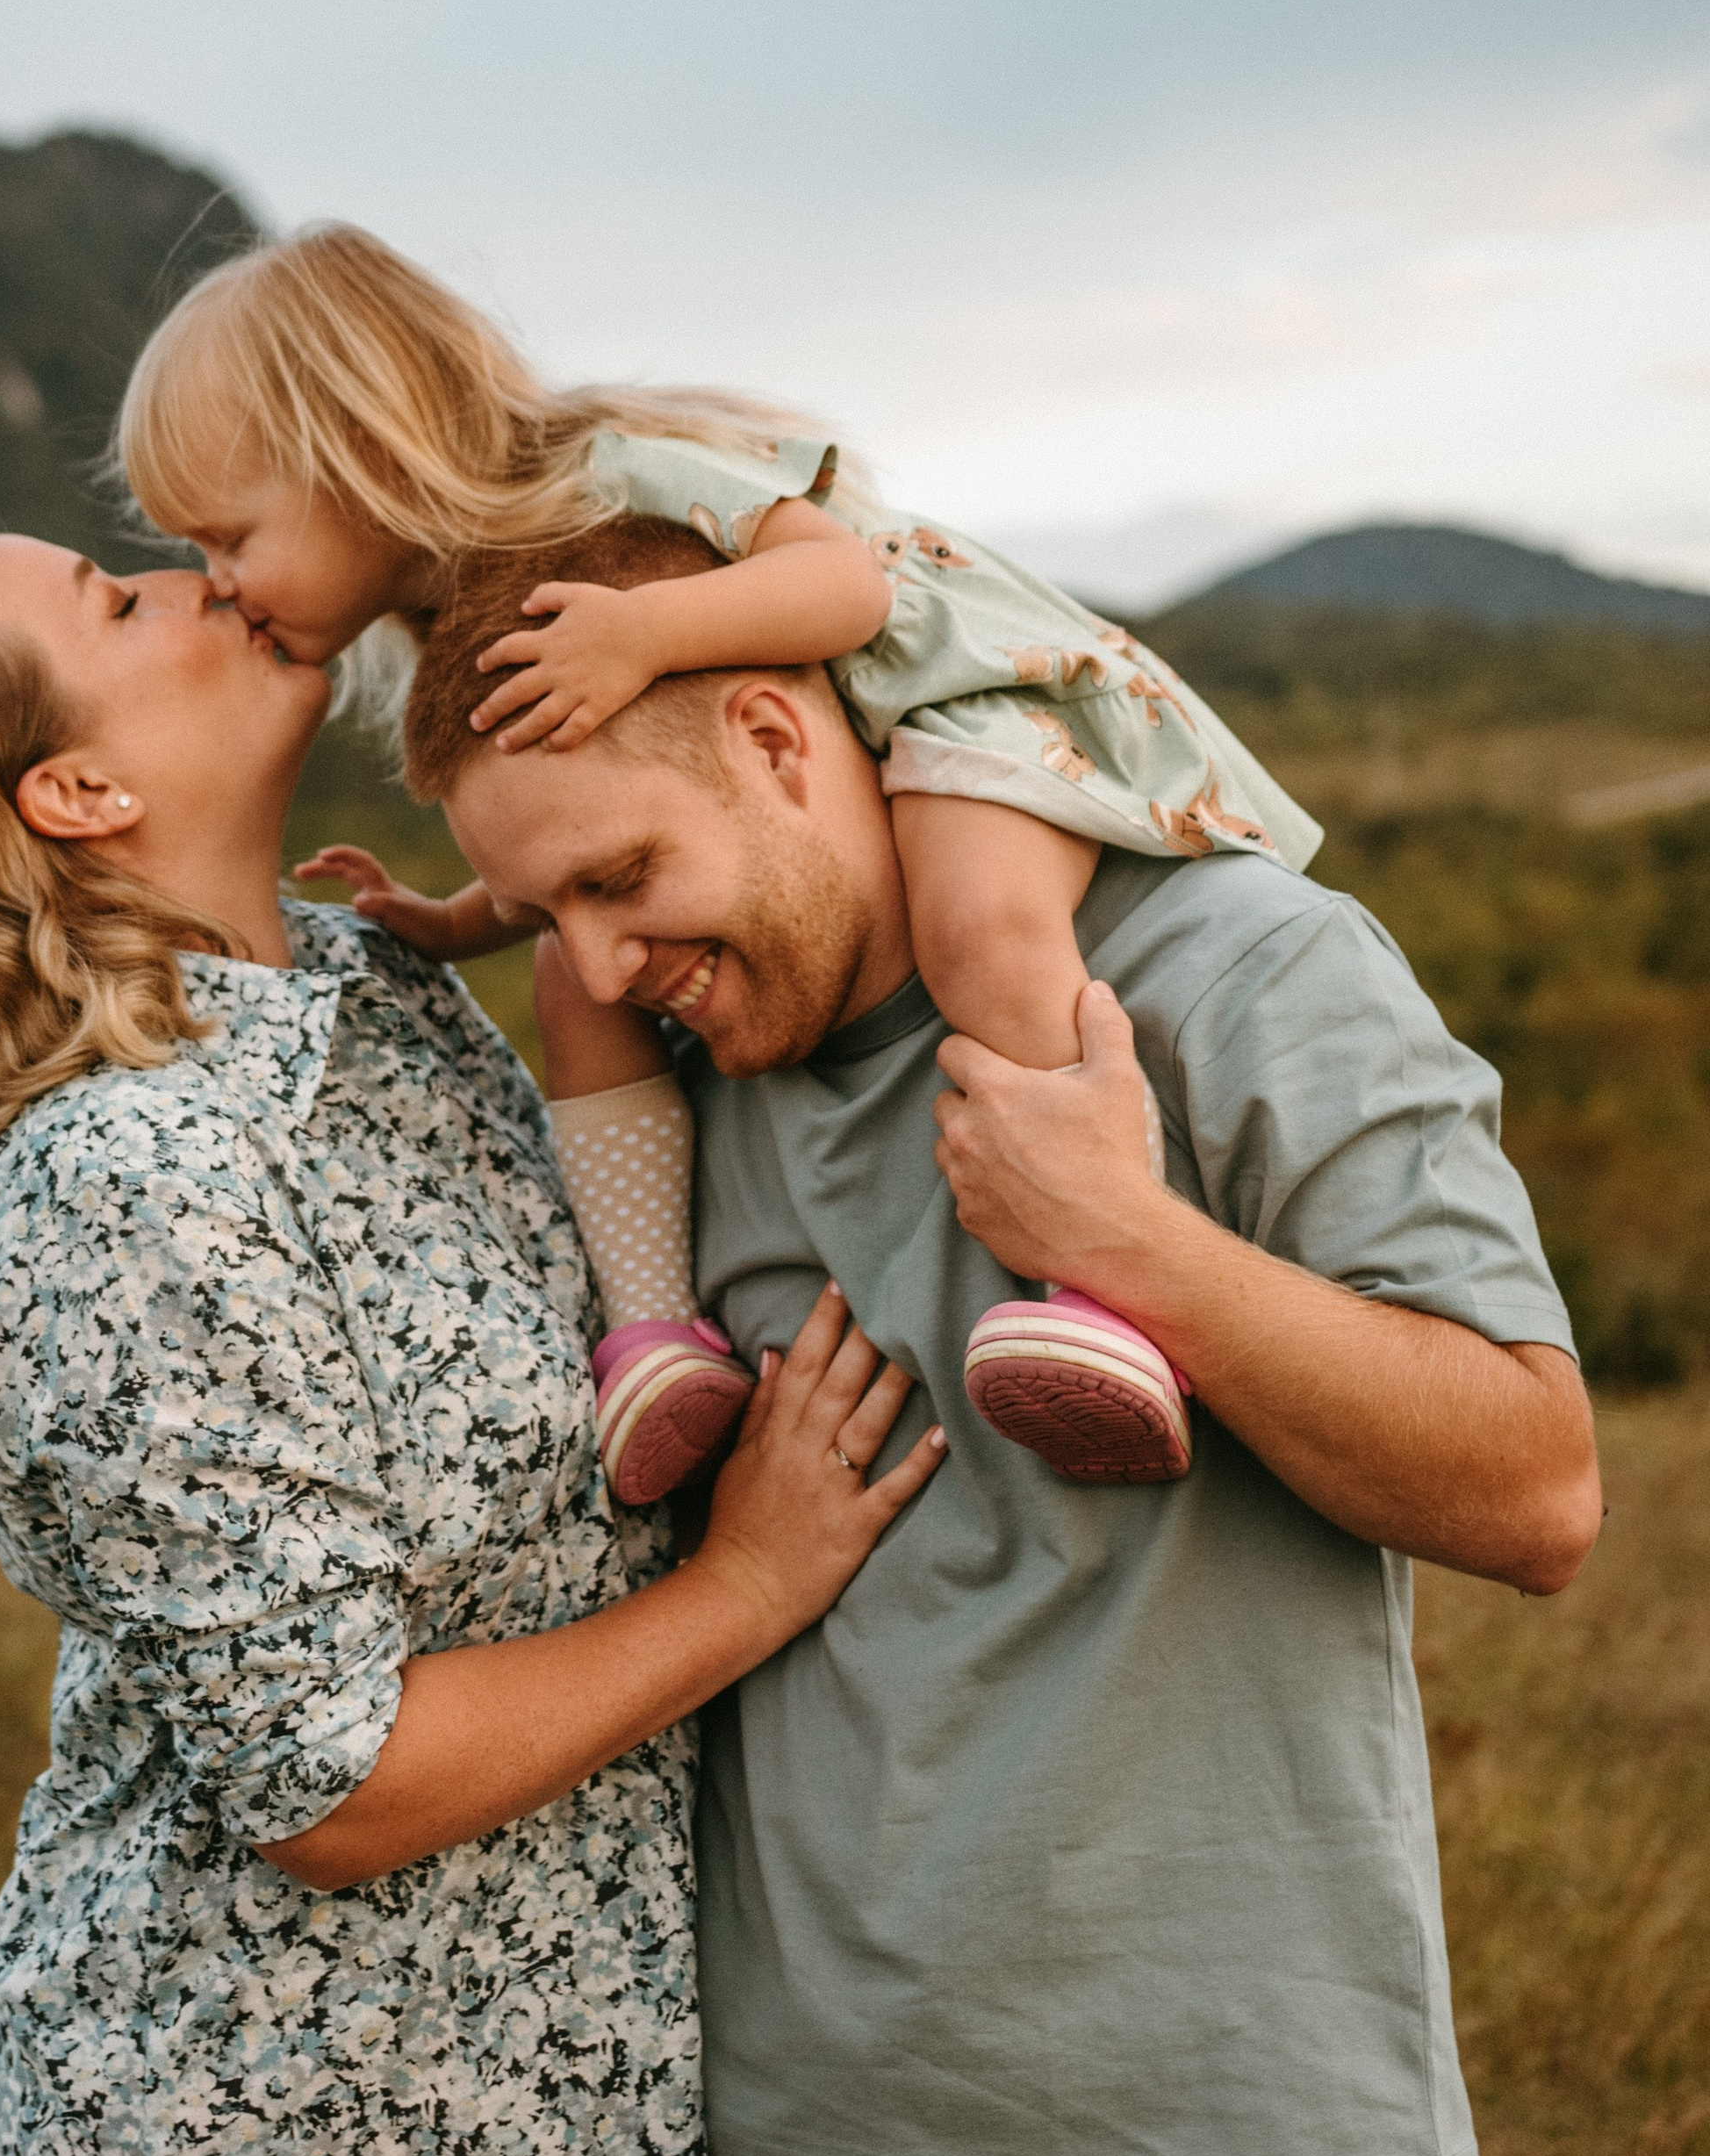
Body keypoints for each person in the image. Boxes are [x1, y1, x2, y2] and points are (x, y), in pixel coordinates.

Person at [0, 508, 945, 2156]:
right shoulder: (113, 1187)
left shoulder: (378, 996)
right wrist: (750, 1582)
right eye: (117, 603)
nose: (194, 577)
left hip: (563, 2125)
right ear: (79, 793)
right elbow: (329, 1775)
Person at [399, 511, 1606, 2156]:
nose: (597, 971)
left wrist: (1124, 1245)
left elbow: (1534, 1489)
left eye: (619, 880)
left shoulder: (1236, 967)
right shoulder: (683, 1095)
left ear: (781, 738)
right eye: (540, 914)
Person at [116, 220, 1319, 1503]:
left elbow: (846, 591)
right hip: (834, 757)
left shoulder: (609, 471)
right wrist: (463, 921)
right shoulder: (450, 613)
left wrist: (644, 633)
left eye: (230, 537)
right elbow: (576, 844)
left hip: (961, 699)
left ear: (350, 454)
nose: (218, 581)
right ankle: (652, 1333)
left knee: (977, 926)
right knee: (582, 986)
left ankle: (1104, 1294)